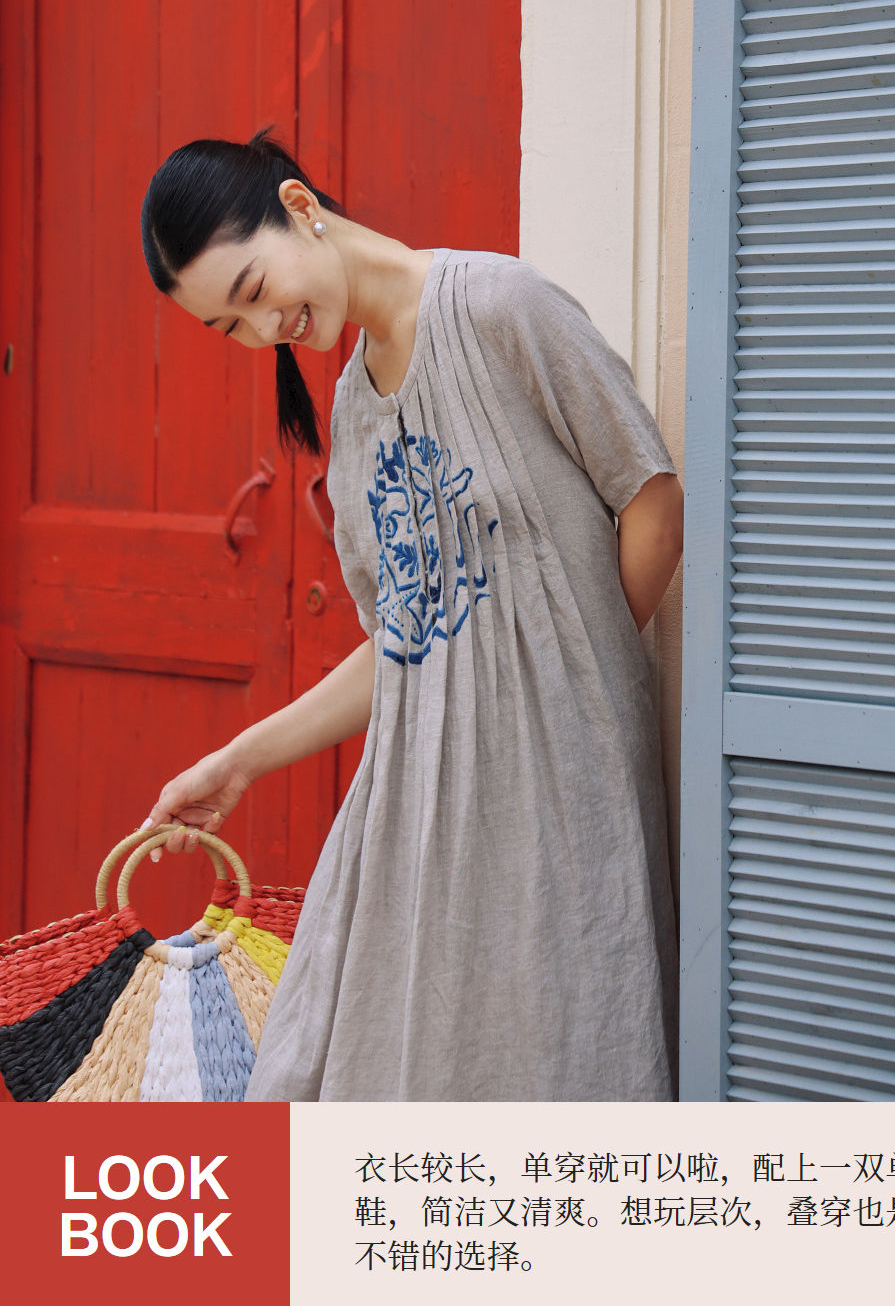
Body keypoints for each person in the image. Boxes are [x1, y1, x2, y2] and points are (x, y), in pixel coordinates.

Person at [140, 128, 684, 1101]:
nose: (265, 331)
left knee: (556, 1066)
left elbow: (652, 501)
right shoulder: (353, 415)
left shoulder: (503, 306)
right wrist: (239, 761)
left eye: (254, 290)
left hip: (560, 791)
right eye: (232, 327)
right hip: (416, 805)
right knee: (346, 1070)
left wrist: (573, 678)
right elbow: (405, 643)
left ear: (300, 208)